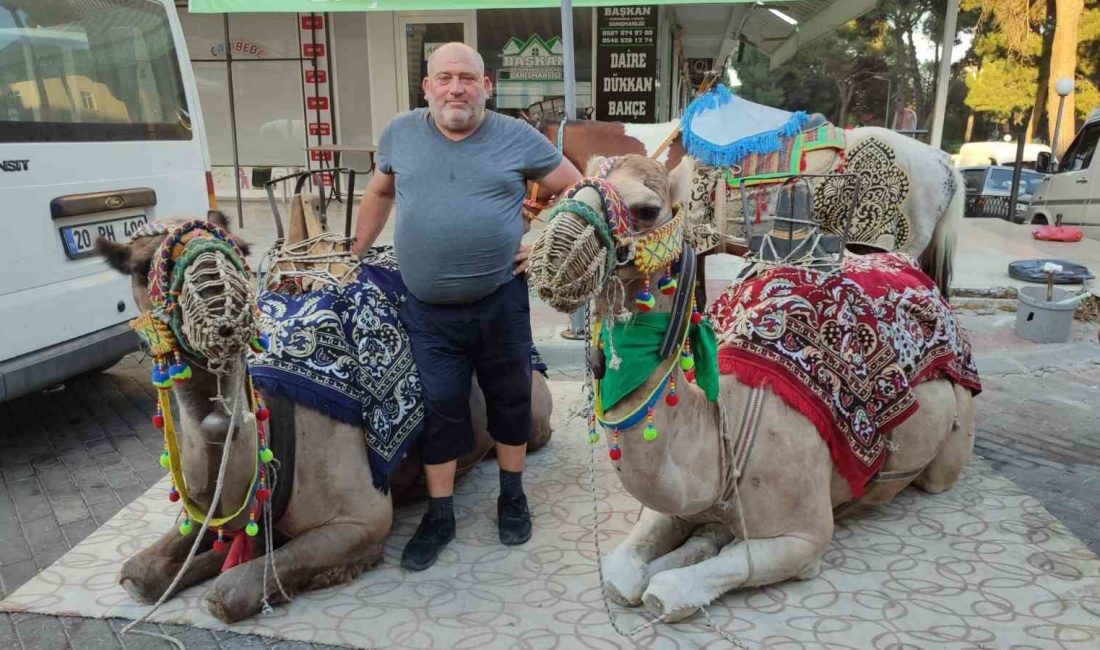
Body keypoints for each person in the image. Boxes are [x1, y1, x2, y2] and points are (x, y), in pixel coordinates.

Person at [351, 42, 582, 571]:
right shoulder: (400, 134)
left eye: (467, 79)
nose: (456, 88)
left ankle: (512, 496)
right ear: (428, 87)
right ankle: (440, 513)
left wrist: (545, 240)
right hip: (427, 309)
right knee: (440, 408)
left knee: (510, 400)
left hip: (500, 300)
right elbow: (379, 193)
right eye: (445, 78)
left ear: (487, 86)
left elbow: (578, 189)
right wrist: (354, 254)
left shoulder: (516, 136)